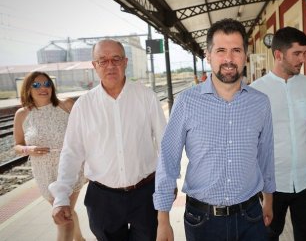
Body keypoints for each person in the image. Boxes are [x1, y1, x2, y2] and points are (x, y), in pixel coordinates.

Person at [154, 18, 276, 241]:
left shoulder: (261, 103)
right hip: (202, 221)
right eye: (221, 50)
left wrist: (269, 199)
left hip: (251, 217)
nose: (229, 59)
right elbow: (168, 159)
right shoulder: (186, 102)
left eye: (236, 50)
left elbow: (266, 153)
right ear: (208, 55)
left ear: (245, 56)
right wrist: (163, 220)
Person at [49, 39, 167, 241]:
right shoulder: (84, 105)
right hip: (102, 198)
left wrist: (167, 183)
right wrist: (61, 197)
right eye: (102, 60)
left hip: (145, 193)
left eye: (116, 59)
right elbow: (72, 152)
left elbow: (165, 144)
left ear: (125, 62)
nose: (110, 65)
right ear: (94, 65)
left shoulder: (146, 97)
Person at [250, 26, 306, 241]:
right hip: (272, 184)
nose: (302, 59)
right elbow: (252, 140)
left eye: (305, 53)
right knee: (268, 236)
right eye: (297, 54)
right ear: (279, 55)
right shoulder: (256, 91)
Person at [13, 71, 86, 241]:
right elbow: (17, 145)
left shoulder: (66, 105)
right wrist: (28, 149)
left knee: (62, 214)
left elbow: (85, 132)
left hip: (70, 167)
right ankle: (80, 239)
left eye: (46, 84)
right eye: (36, 85)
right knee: (65, 210)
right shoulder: (22, 114)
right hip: (43, 172)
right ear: (28, 89)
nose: (43, 88)